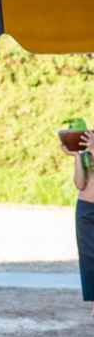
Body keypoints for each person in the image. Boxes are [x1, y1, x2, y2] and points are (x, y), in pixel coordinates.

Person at [62, 130, 94, 315]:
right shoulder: (85, 156)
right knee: (88, 257)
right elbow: (80, 184)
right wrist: (76, 156)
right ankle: (93, 302)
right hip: (85, 209)